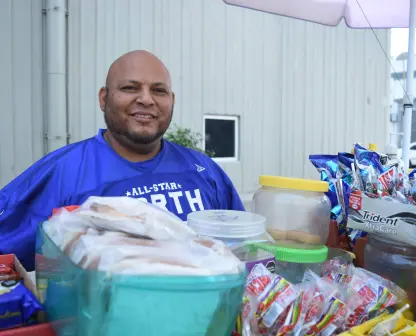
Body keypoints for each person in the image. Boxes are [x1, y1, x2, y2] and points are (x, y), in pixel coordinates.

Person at [0, 50, 244, 271]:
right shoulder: (64, 172)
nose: (146, 99)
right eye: (130, 88)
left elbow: (244, 248)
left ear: (172, 100)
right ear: (104, 98)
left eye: (159, 90)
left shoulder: (204, 171)